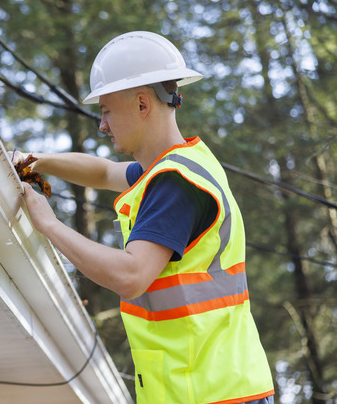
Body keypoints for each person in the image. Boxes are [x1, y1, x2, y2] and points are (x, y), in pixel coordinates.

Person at [14, 31, 274, 403]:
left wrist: (49, 225)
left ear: (141, 104)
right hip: (210, 389)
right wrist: (34, 161)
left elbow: (131, 275)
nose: (102, 124)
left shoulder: (175, 183)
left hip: (213, 393)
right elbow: (103, 173)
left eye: (105, 110)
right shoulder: (176, 167)